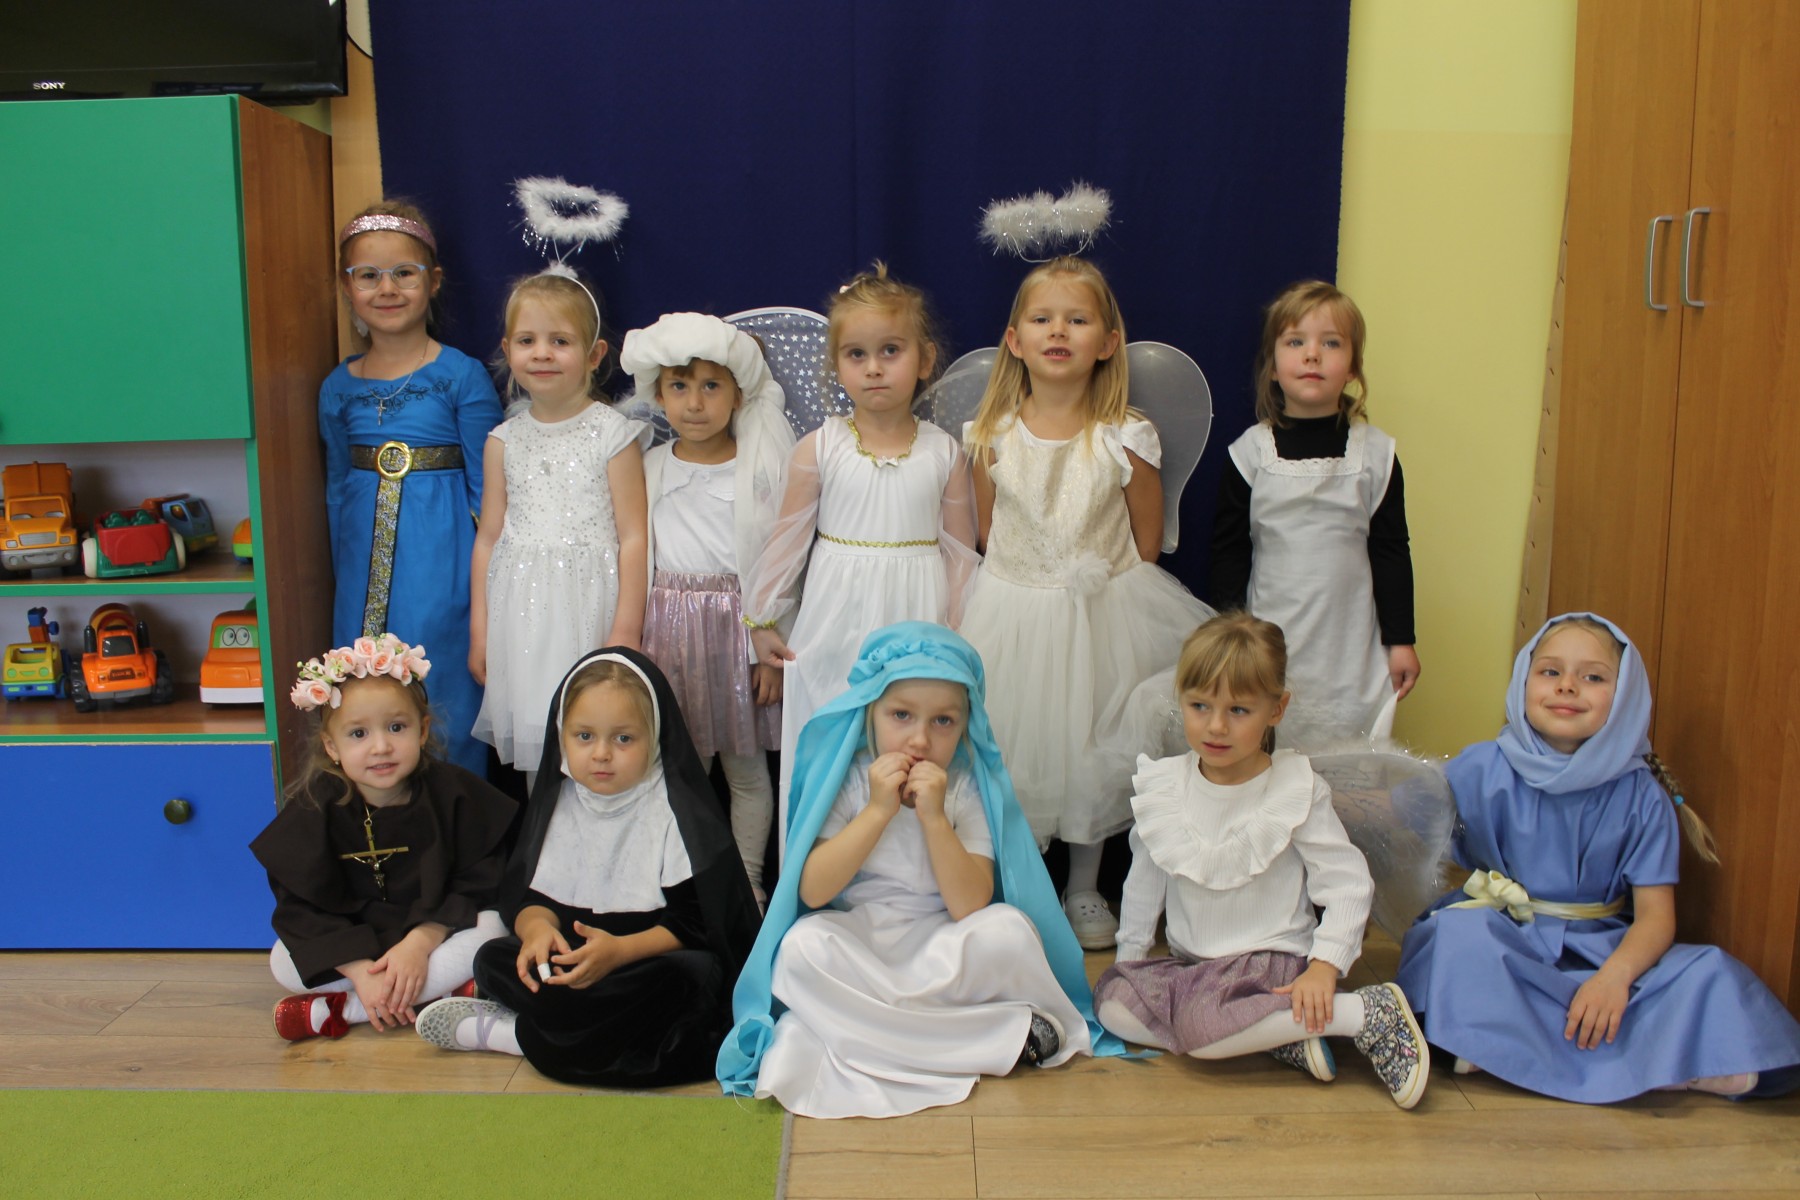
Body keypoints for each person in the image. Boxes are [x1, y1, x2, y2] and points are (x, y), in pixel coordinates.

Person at [1395, 613, 1800, 1102]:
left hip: (1601, 952)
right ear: (1523, 681)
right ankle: (1653, 1060)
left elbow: (1655, 918)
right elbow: (1404, 810)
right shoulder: (1481, 765)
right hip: (1508, 940)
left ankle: (1501, 1043)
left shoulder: (1642, 796)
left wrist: (1614, 980)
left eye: (1592, 677)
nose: (1567, 686)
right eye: (1550, 671)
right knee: (1455, 936)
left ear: (1625, 696)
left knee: (1710, 972)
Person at [719, 623, 1119, 1118]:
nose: (920, 739)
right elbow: (815, 891)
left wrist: (934, 818)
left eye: (943, 721)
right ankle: (996, 1037)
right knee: (801, 950)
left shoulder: (964, 789)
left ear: (966, 725)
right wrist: (877, 811)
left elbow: (970, 905)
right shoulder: (850, 781)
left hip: (943, 945)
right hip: (863, 943)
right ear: (871, 711)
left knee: (1010, 932)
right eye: (902, 715)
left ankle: (873, 1036)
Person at [959, 256, 1214, 948]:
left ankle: (1083, 886)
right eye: (1042, 319)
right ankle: (1017, 880)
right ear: (1015, 339)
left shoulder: (1125, 435)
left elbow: (1147, 540)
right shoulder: (990, 434)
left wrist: (1092, 583)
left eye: (1077, 319)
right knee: (1011, 744)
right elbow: (985, 533)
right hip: (1011, 612)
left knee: (1093, 746)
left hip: (1104, 615)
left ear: (1108, 341)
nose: (1058, 331)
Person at [1093, 613, 1429, 1108]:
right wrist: (1131, 964)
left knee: (1200, 1029)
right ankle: (1274, 1033)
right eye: (1199, 705)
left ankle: (1363, 1014)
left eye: (1239, 710)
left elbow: (1349, 884)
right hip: (1192, 966)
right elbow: (1144, 883)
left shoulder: (1293, 789)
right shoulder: (1166, 786)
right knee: (1112, 1004)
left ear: (1276, 709)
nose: (1216, 725)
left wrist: (1324, 967)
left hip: (1270, 963)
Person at [416, 649, 760, 1086]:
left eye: (623, 739)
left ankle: (517, 1035)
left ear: (655, 737)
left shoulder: (674, 812)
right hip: (573, 964)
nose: (601, 754)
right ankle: (581, 1032)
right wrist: (537, 929)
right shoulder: (559, 803)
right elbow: (527, 898)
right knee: (491, 958)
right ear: (561, 735)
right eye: (584, 736)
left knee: (689, 984)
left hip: (643, 963)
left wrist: (618, 952)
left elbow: (695, 923)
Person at [742, 264, 979, 845]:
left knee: (910, 741)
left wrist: (957, 633)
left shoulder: (944, 452)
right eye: (856, 354)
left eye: (890, 351)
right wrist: (763, 617)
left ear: (924, 360)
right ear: (837, 365)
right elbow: (787, 539)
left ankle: (911, 871)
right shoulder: (819, 447)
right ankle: (820, 868)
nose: (873, 367)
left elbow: (960, 553)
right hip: (835, 618)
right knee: (833, 737)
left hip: (915, 616)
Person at [252, 635, 515, 1041]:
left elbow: (481, 880)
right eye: (358, 734)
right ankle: (438, 995)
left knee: (493, 928)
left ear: (422, 731)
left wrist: (420, 943)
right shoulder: (313, 808)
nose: (381, 747)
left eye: (396, 727)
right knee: (282, 960)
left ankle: (343, 1011)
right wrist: (358, 969)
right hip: (357, 940)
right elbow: (300, 908)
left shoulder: (455, 794)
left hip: (435, 933)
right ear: (331, 746)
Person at [320, 202, 502, 774]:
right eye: (368, 275)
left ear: (433, 281)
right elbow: (335, 490)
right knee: (365, 690)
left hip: (443, 566)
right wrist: (343, 575)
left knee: (443, 679)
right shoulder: (337, 387)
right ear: (346, 287)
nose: (387, 288)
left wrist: (483, 588)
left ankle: (457, 804)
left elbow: (490, 492)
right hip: (360, 573)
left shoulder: (461, 376)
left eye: (404, 272)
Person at [620, 313, 795, 905]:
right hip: (669, 634)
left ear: (738, 393)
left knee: (746, 769)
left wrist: (769, 652)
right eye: (679, 386)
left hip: (740, 631)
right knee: (680, 764)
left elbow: (777, 562)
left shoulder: (760, 469)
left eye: (711, 386)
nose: (694, 403)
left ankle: (748, 879)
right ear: (659, 393)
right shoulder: (649, 465)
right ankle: (683, 877)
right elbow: (634, 553)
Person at [1208, 280, 1418, 752]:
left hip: (1350, 644)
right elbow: (1229, 551)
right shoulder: (1249, 453)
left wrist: (1401, 640)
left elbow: (1391, 551)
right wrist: (1227, 635)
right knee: (1271, 748)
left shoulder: (1377, 455)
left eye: (1332, 343)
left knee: (1346, 758)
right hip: (1273, 633)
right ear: (1273, 366)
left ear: (1353, 367)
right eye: (1295, 342)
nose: (1312, 355)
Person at [470, 269, 650, 782]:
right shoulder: (503, 440)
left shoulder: (613, 434)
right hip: (522, 615)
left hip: (590, 608)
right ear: (508, 350)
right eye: (527, 341)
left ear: (594, 355)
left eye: (560, 341)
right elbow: (488, 539)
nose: (542, 354)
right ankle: (546, 831)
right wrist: (481, 630)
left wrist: (626, 628)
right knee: (539, 744)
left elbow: (634, 536)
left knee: (596, 734)